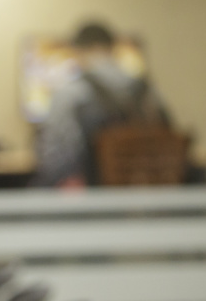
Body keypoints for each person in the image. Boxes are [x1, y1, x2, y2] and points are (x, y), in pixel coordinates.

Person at [34, 21, 170, 187]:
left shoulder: (69, 94)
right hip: (150, 199)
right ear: (113, 48)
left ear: (78, 51)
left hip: (94, 201)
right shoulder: (148, 90)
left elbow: (54, 157)